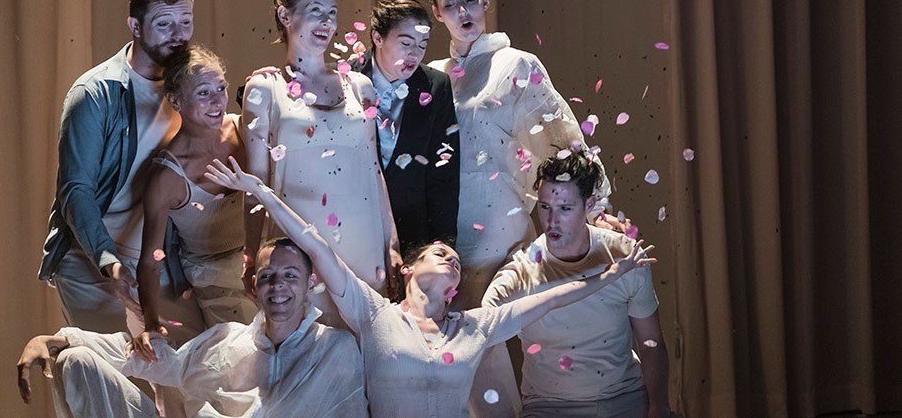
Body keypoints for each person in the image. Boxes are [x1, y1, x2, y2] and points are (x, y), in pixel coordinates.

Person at [205, 157, 655, 418]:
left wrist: (608, 276)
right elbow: (315, 244)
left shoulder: (475, 326)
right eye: (439, 253)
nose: (451, 258)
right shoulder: (374, 313)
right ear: (407, 270)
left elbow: (549, 297)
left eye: (456, 261)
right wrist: (261, 191)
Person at [426, 0, 613, 310]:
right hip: (443, 231)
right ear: (437, 12)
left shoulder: (516, 64)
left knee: (498, 335)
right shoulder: (434, 75)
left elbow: (562, 139)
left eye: (470, 0)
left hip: (497, 224)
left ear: (485, 1)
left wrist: (596, 207)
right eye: (451, 5)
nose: (463, 12)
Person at [38, 0, 208, 344]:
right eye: (164, 24)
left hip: (159, 256)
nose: (178, 34)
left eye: (185, 22)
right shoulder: (95, 92)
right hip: (92, 257)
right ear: (135, 25)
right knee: (112, 379)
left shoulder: (190, 83)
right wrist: (107, 261)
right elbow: (75, 190)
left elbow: (222, 128)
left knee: (183, 374)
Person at [17, 237, 368, 418]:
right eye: (267, 277)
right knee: (76, 361)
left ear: (311, 283)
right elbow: (163, 361)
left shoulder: (335, 349)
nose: (278, 285)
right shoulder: (228, 339)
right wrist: (58, 339)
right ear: (254, 286)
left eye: (290, 276)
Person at [240, 0, 402, 324]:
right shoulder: (265, 89)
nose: (327, 21)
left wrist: (391, 242)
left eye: (332, 12)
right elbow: (255, 182)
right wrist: (252, 255)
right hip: (300, 245)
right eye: (315, 10)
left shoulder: (359, 86)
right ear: (286, 16)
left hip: (364, 243)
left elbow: (374, 168)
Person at [482, 148, 671, 418]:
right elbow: (482, 324)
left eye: (565, 209)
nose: (552, 221)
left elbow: (651, 341)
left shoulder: (623, 254)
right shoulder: (522, 269)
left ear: (590, 204)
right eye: (545, 207)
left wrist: (659, 406)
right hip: (547, 407)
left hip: (622, 400)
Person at [132, 44, 256, 352]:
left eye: (221, 88)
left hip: (257, 263)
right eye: (203, 93)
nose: (217, 101)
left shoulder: (242, 130)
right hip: (214, 282)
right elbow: (151, 258)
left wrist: (268, 83)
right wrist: (150, 322)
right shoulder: (167, 176)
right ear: (176, 100)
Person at [351, 0, 460, 260]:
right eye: (405, 43)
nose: (415, 54)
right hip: (353, 224)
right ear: (377, 37)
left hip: (413, 229)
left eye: (422, 45)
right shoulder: (342, 79)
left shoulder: (436, 86)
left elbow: (443, 173)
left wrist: (441, 246)